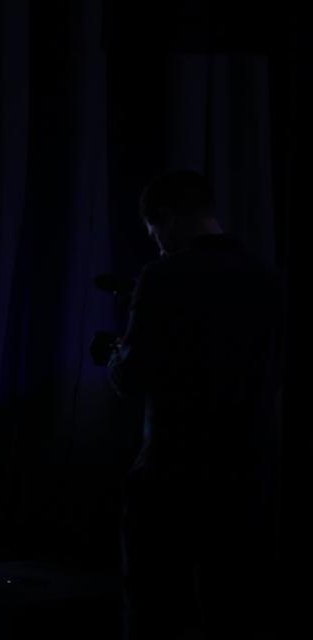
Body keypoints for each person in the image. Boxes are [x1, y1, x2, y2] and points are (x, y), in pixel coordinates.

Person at [95, 170, 282, 639]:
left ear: (165, 217)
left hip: (170, 475)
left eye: (155, 232)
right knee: (235, 607)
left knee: (156, 609)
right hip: (247, 474)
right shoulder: (264, 276)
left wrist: (116, 354)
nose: (157, 243)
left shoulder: (163, 275)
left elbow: (132, 376)